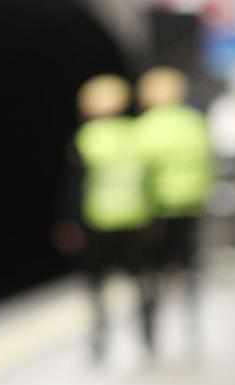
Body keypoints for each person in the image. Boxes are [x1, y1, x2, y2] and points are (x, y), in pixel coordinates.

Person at [53, 74, 158, 362]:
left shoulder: (86, 138)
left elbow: (75, 186)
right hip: (135, 217)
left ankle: (99, 339)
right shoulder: (136, 134)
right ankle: (148, 336)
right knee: (141, 279)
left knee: (97, 284)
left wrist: (69, 222)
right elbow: (149, 179)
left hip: (97, 221)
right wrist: (152, 213)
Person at [134, 66, 216, 350]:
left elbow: (140, 174)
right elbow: (208, 163)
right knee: (188, 270)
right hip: (191, 207)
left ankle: (150, 334)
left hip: (156, 211)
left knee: (150, 275)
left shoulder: (145, 126)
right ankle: (191, 328)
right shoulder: (195, 123)